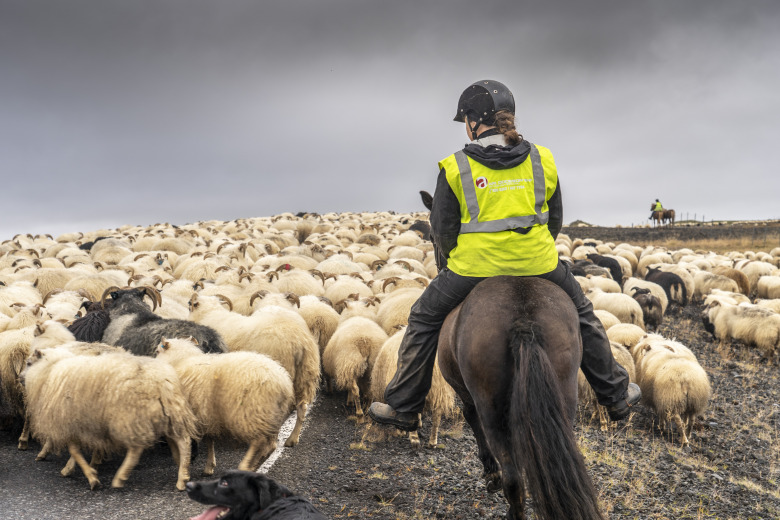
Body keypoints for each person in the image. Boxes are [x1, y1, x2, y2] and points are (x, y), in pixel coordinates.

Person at [367, 79, 641, 431]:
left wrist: (457, 259)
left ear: (472, 121)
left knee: (422, 317)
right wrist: (532, 250)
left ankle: (404, 405)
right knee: (583, 313)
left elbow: (444, 228)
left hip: (473, 268)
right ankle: (614, 394)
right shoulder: (543, 158)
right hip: (540, 263)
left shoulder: (456, 165)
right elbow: (553, 218)